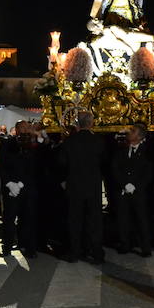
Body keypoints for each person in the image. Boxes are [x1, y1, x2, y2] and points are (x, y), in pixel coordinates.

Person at [58, 111, 106, 263]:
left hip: (75, 185)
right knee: (95, 220)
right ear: (91, 123)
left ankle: (74, 252)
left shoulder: (70, 141)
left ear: (78, 124)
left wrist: (64, 179)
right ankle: (96, 252)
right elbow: (104, 162)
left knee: (75, 220)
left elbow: (61, 162)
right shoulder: (98, 141)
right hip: (93, 185)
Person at [111, 123, 154, 256]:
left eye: (133, 131)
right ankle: (125, 244)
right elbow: (115, 168)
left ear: (140, 136)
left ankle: (145, 247)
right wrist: (124, 184)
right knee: (123, 218)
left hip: (139, 191)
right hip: (123, 190)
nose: (129, 132)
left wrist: (135, 185)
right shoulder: (122, 150)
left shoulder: (147, 151)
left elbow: (148, 172)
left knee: (141, 219)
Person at [0, 121, 39, 258]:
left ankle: (29, 246)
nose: (24, 130)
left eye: (26, 127)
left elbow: (36, 166)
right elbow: (2, 165)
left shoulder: (34, 145)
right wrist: (9, 183)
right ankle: (7, 245)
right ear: (16, 129)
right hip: (11, 188)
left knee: (28, 217)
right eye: (21, 128)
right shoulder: (7, 144)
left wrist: (22, 183)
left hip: (28, 188)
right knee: (9, 217)